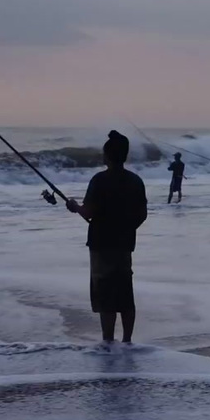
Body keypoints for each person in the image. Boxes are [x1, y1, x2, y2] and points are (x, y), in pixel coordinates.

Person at [66, 131, 148, 345]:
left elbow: (89, 212)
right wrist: (127, 228)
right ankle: (128, 340)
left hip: (101, 244)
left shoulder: (99, 180)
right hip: (125, 244)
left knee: (106, 294)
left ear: (107, 156)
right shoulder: (135, 181)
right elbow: (142, 214)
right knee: (124, 291)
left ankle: (108, 341)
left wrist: (74, 207)